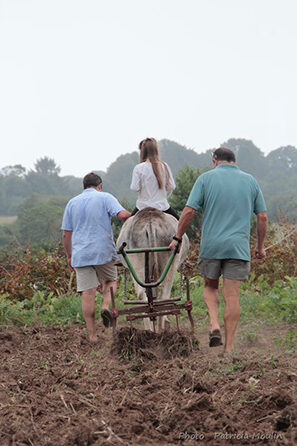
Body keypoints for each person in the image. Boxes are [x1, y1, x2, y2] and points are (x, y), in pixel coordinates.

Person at [169, 147, 268, 354]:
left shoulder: (205, 179)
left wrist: (177, 237)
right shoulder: (250, 181)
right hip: (238, 248)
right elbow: (262, 217)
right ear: (234, 161)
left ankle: (214, 324)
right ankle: (229, 348)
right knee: (232, 296)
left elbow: (189, 211)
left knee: (210, 286)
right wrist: (259, 247)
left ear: (214, 161)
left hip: (212, 246)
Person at [61, 172, 130, 343]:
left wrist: (69, 256)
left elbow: (66, 234)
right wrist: (132, 215)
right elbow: (122, 215)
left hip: (81, 253)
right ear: (100, 185)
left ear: (84, 186)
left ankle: (92, 335)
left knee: (88, 292)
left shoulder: (72, 203)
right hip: (103, 251)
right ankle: (105, 306)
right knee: (111, 280)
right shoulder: (105, 197)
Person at [130, 137, 179, 219]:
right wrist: (163, 196)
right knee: (181, 227)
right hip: (162, 207)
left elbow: (135, 188)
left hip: (142, 207)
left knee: (126, 228)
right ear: (156, 150)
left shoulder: (138, 168)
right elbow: (171, 186)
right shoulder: (164, 166)